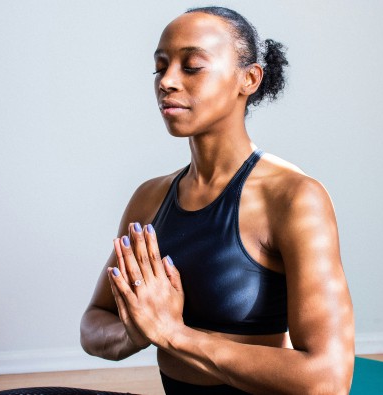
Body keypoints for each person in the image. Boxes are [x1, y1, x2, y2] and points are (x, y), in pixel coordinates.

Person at [80, 6, 355, 395]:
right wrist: (136, 332)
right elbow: (94, 321)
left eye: (191, 66)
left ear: (249, 78)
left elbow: (327, 379)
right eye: (160, 67)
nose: (167, 81)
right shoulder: (149, 198)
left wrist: (175, 335)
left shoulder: (294, 198)